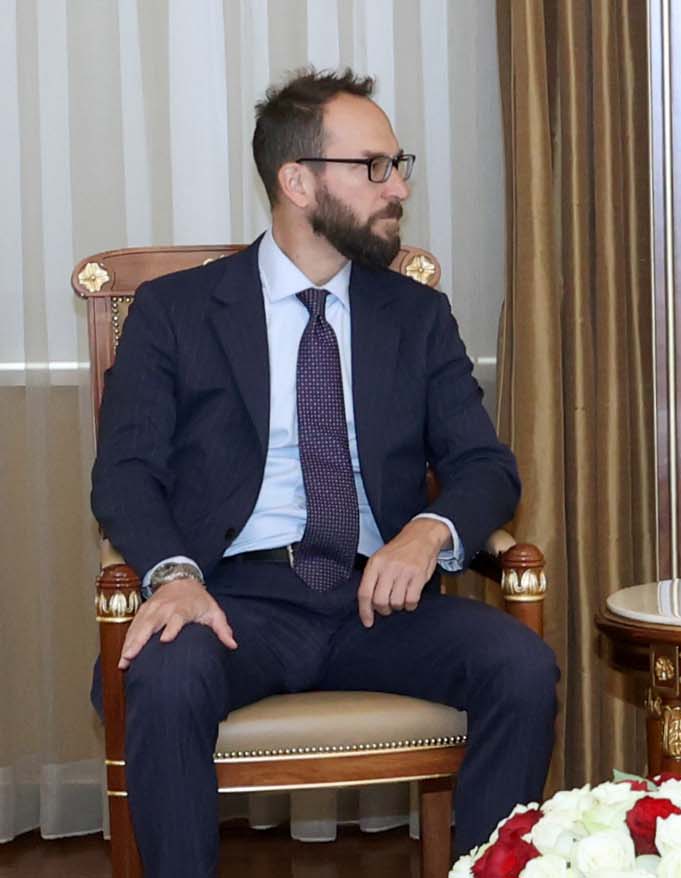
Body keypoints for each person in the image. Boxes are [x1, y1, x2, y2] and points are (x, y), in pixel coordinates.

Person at [89, 68, 556, 876]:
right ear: (297, 181)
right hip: (235, 600)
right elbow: (125, 471)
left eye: (399, 164)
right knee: (164, 673)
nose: (399, 185)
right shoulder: (176, 312)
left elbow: (485, 464)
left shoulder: (414, 315)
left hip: (379, 599)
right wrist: (173, 576)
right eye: (374, 166)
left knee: (521, 665)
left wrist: (428, 532)